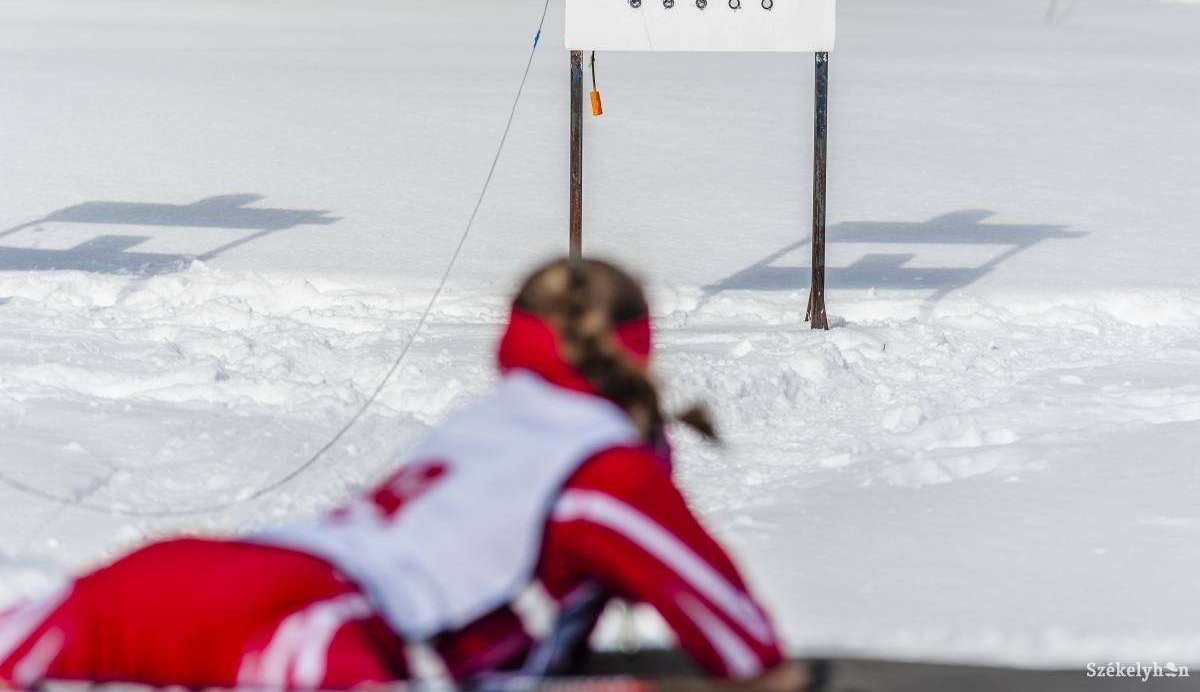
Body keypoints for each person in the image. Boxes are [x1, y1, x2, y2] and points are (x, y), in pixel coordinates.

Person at [0, 258, 812, 691]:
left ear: (512, 341)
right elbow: (744, 647)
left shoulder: (483, 422)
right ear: (637, 350)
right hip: (319, 631)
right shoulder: (601, 469)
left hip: (191, 570)